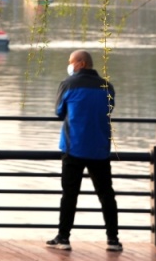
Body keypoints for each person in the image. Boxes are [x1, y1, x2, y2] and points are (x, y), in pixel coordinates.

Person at [46, 50, 122, 253]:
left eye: (71, 62)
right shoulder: (108, 87)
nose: (69, 65)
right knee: (106, 194)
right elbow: (109, 108)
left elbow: (59, 112)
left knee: (70, 194)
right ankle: (113, 240)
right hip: (100, 148)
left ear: (80, 63)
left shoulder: (68, 85)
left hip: (74, 148)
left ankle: (63, 238)